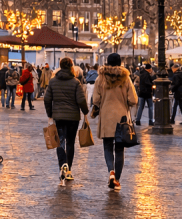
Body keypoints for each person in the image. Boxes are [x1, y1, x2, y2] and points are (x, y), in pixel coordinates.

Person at [91, 53, 137, 190]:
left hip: (106, 116)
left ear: (107, 62)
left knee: (107, 146)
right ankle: (117, 179)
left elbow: (95, 100)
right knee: (119, 149)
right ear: (120, 63)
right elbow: (133, 100)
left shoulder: (100, 78)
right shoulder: (125, 78)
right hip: (122, 118)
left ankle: (111, 171)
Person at [44, 57, 89, 186]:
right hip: (73, 117)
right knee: (70, 142)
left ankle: (62, 165)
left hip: (58, 116)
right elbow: (81, 100)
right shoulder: (75, 82)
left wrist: (50, 113)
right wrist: (85, 112)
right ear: (71, 66)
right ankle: (68, 169)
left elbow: (47, 99)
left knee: (59, 142)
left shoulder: (53, 81)